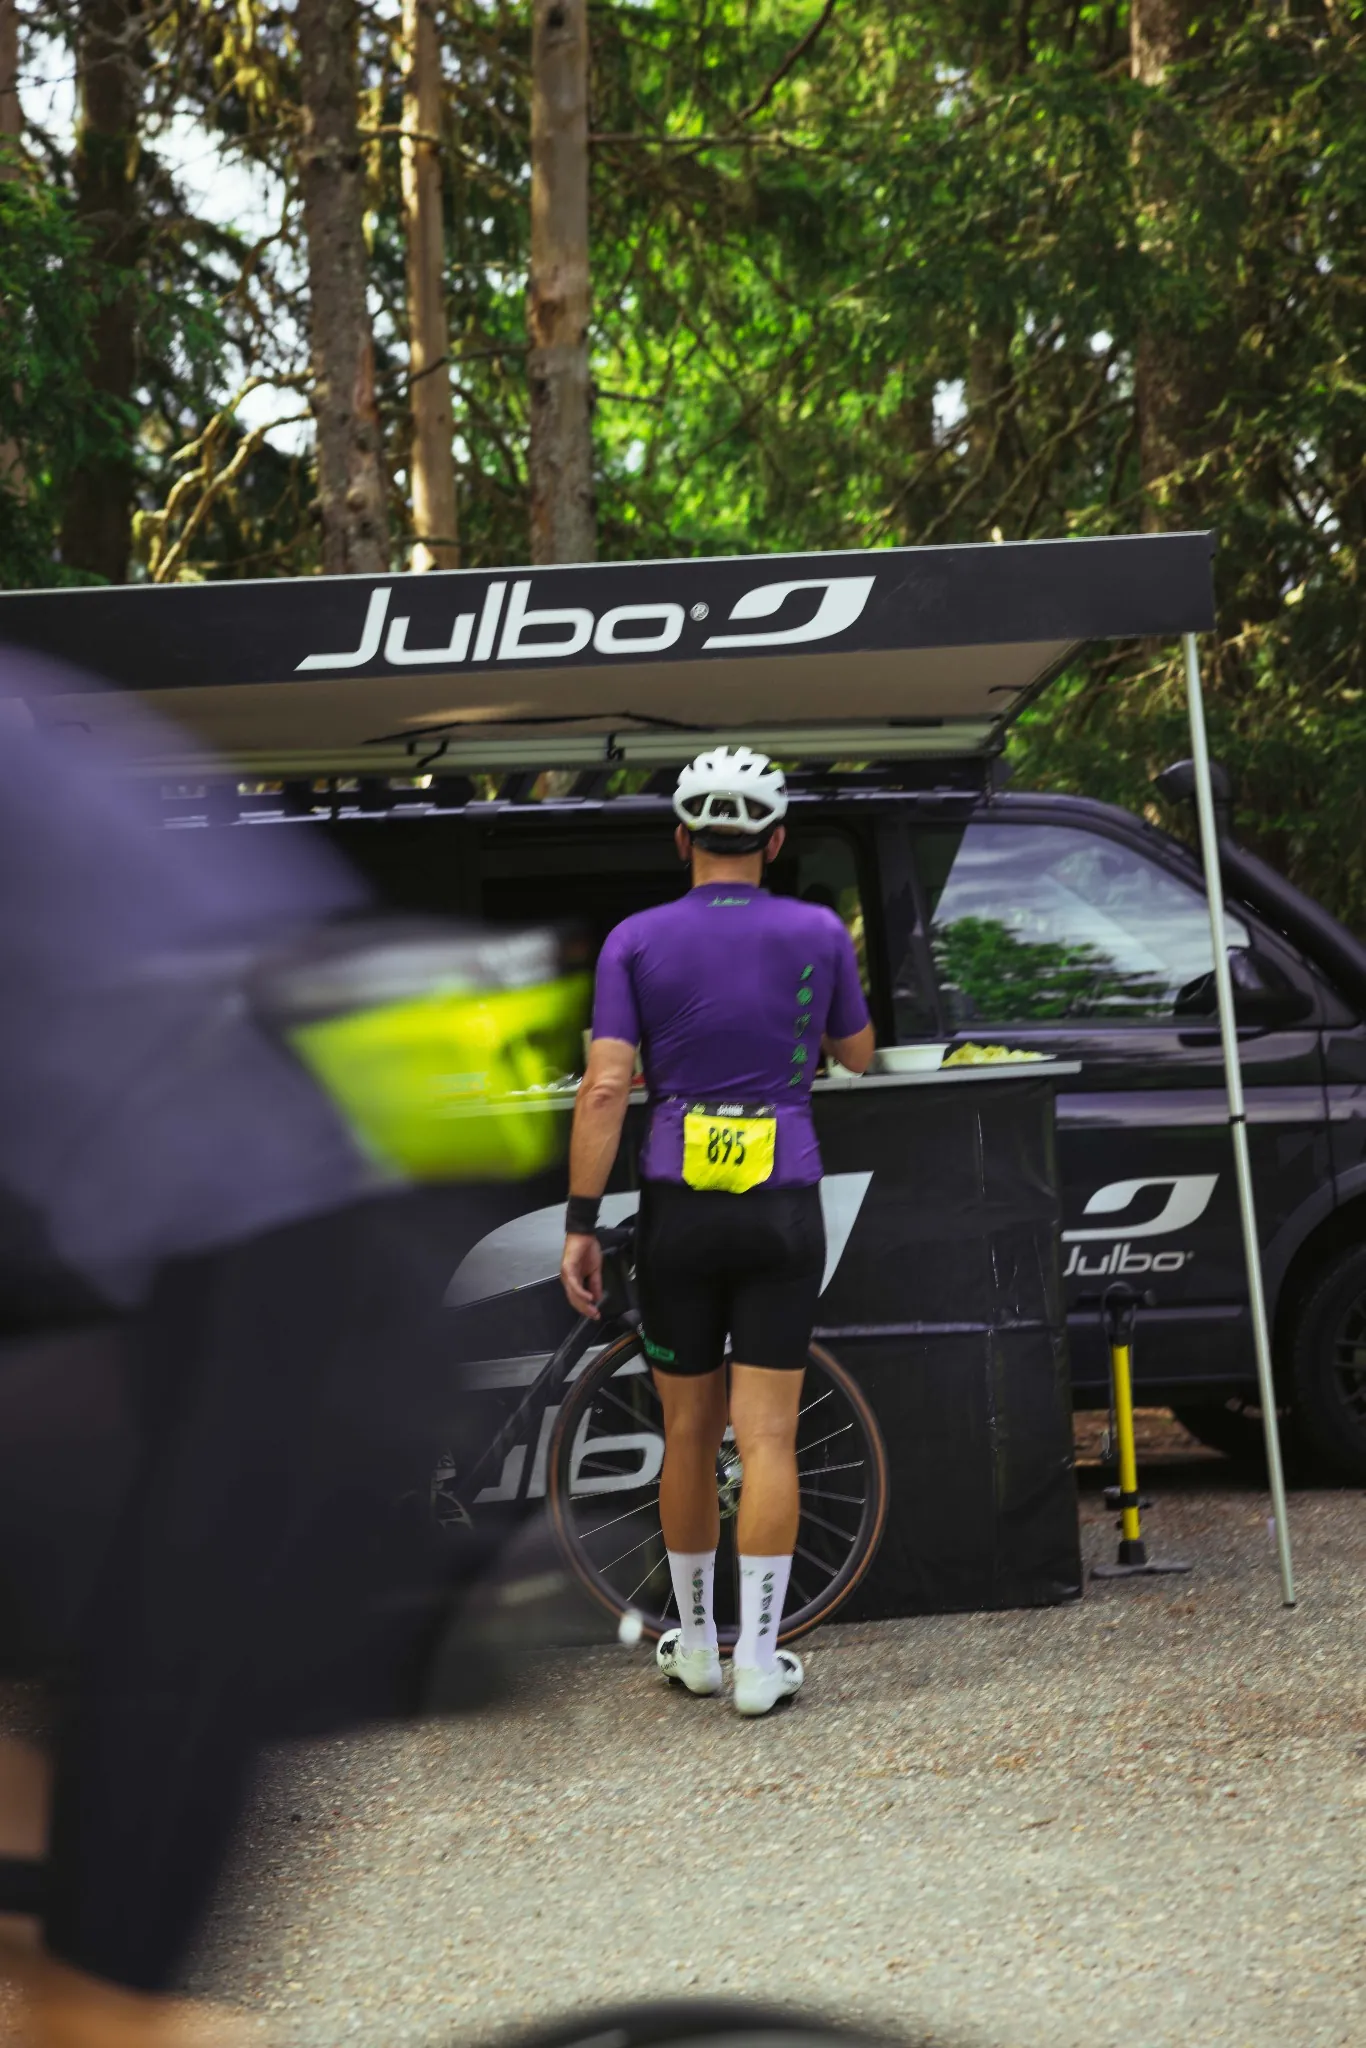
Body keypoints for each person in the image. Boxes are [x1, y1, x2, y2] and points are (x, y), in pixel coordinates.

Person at [559, 747, 874, 1717]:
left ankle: (695, 1643)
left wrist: (579, 1218)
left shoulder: (635, 938)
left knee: (687, 1431)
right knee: (767, 1435)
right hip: (781, 1201)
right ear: (776, 842)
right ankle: (758, 1661)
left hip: (677, 1211)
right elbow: (857, 1054)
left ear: (682, 839)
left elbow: (607, 1084)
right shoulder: (819, 928)